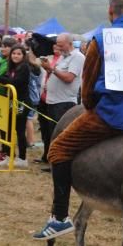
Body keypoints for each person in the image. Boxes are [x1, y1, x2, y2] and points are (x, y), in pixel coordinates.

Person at [32, 0, 123, 240]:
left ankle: (59, 217)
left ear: (110, 11)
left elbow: (88, 84)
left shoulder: (102, 38)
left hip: (114, 116)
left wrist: (91, 106)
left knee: (57, 149)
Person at [34, 33, 84, 166]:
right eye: (57, 45)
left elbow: (69, 78)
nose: (59, 48)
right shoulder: (63, 56)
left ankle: (60, 164)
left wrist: (52, 69)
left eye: (61, 45)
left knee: (60, 135)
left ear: (70, 43)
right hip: (52, 101)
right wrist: (48, 68)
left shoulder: (78, 57)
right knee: (51, 134)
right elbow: (56, 73)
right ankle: (53, 162)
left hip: (64, 103)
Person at [0, 44, 32, 168]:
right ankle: (9, 156)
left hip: (21, 103)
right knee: (7, 128)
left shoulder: (24, 67)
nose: (15, 56)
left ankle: (22, 159)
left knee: (19, 130)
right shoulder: (12, 67)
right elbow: (6, 78)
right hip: (10, 102)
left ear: (23, 56)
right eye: (14, 53)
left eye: (19, 54)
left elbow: (15, 82)